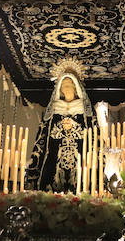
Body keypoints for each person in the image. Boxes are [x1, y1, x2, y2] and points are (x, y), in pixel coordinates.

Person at [25, 58, 97, 193]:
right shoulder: (53, 111)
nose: (67, 87)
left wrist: (74, 127)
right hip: (54, 160)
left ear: (76, 87)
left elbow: (93, 136)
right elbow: (43, 138)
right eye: (63, 85)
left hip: (80, 160)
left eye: (69, 84)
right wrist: (60, 129)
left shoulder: (86, 111)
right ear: (60, 89)